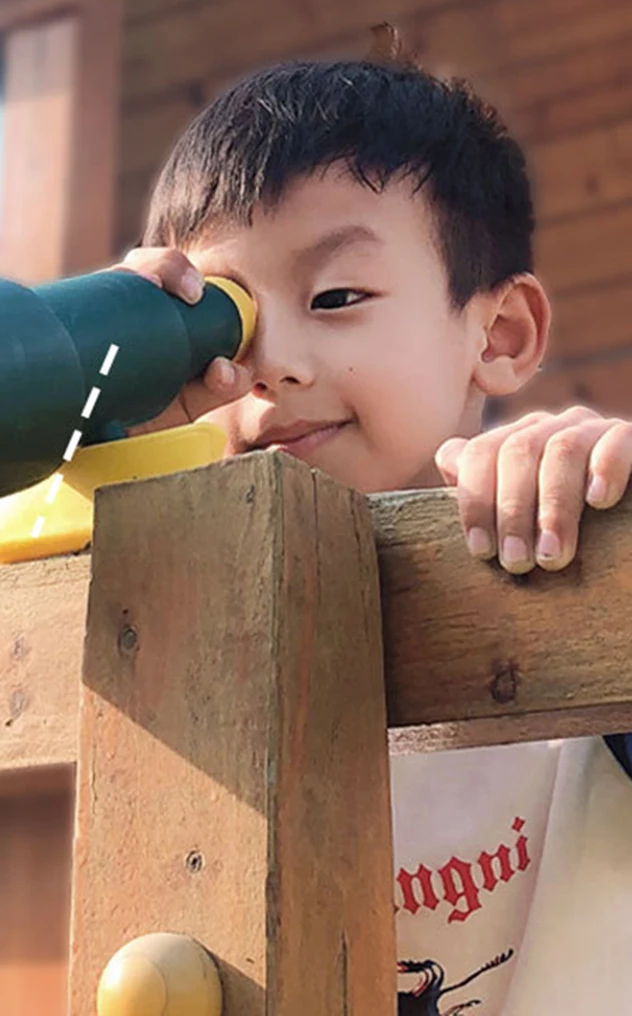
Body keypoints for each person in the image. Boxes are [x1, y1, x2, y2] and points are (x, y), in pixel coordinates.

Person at [113, 57, 632, 1015]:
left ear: (501, 333)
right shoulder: (163, 612)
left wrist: (609, 503)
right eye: (222, 329)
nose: (272, 367)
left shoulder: (583, 559)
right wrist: (102, 386)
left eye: (337, 298)